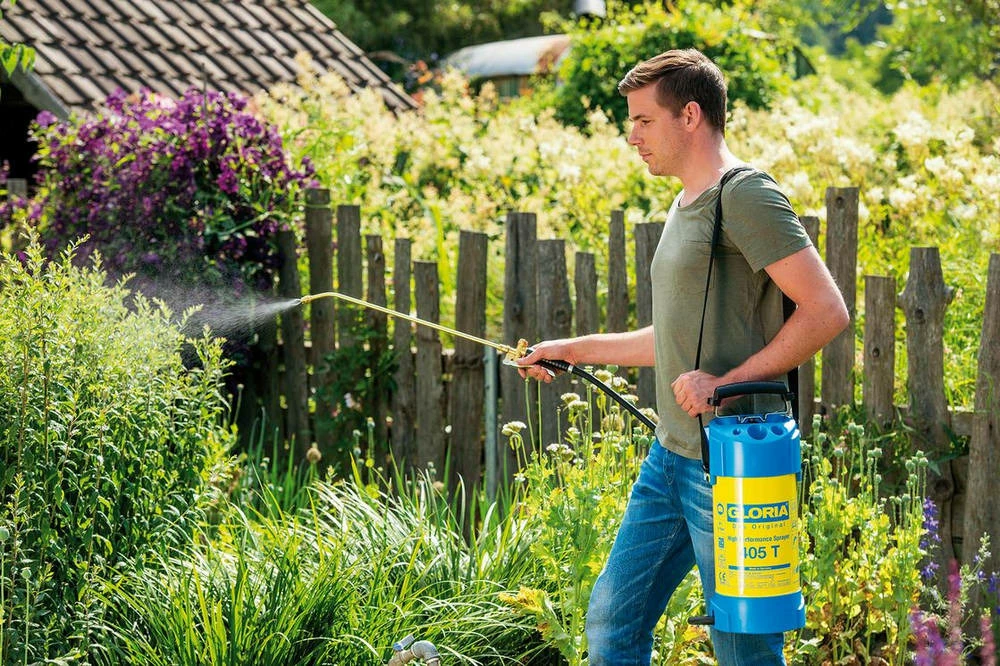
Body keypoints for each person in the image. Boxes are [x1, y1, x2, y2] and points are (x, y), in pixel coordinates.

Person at [517, 49, 849, 665]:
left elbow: (827, 311)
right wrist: (571, 350)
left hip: (733, 466)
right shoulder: (686, 201)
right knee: (612, 623)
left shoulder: (745, 196)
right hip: (670, 457)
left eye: (644, 120)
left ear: (690, 115)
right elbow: (672, 340)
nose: (632, 137)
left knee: (743, 649)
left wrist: (724, 384)